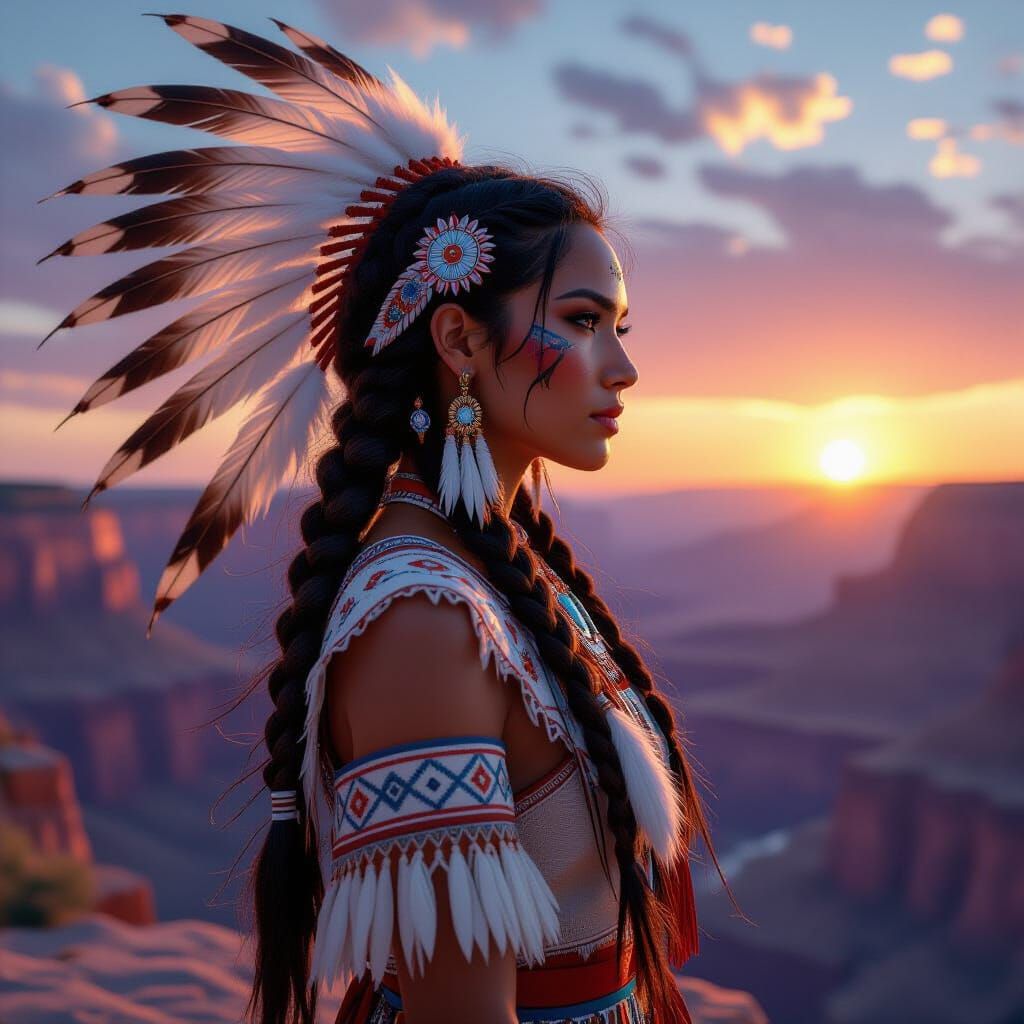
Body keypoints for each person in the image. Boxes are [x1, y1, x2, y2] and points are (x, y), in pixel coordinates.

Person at [41, 14, 737, 1024]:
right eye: (583, 322)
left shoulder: (502, 577)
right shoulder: (423, 620)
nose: (623, 367)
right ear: (457, 337)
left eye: (618, 327)